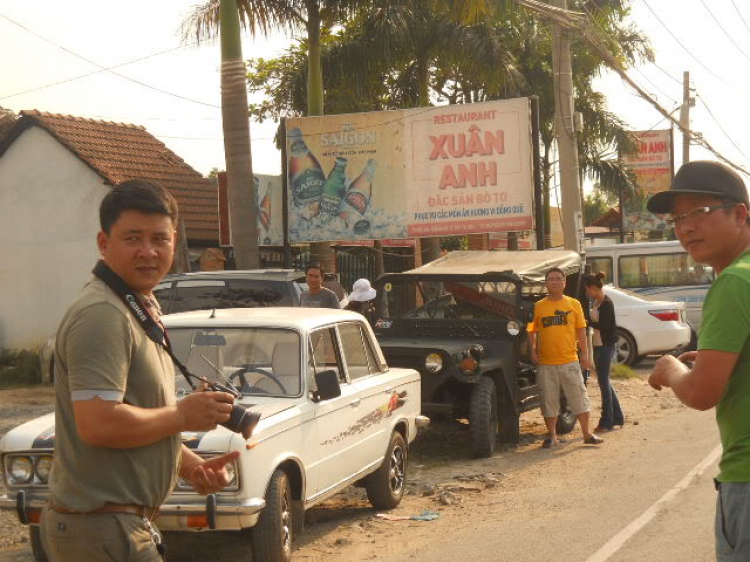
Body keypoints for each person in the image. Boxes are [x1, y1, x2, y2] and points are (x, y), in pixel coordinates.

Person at [42, 179, 239, 562]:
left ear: (174, 241)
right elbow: (99, 424)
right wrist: (183, 415)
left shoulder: (135, 305)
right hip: (100, 528)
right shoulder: (102, 314)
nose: (148, 252)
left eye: (159, 239)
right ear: (104, 243)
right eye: (133, 238)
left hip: (116, 526)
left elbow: (139, 418)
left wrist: (189, 466)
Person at [646, 160, 750, 561]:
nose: (685, 227)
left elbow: (703, 394)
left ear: (739, 214)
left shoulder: (733, 282)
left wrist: (673, 370)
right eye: (677, 218)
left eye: (699, 212)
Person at [528, 268, 603, 448]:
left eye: (558, 279)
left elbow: (581, 330)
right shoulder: (539, 306)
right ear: (546, 283)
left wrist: (585, 355)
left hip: (569, 361)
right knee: (549, 401)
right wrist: (533, 350)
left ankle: (586, 433)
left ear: (564, 283)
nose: (554, 282)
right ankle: (552, 436)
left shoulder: (574, 304)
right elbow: (531, 329)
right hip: (546, 363)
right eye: (550, 279)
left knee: (579, 398)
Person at [583, 272, 625, 432]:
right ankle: (618, 417)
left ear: (593, 288)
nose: (587, 294)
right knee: (604, 382)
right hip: (599, 345)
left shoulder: (607, 304)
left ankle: (606, 421)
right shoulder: (597, 302)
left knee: (603, 383)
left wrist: (588, 323)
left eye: (587, 290)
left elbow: (606, 326)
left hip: (606, 346)